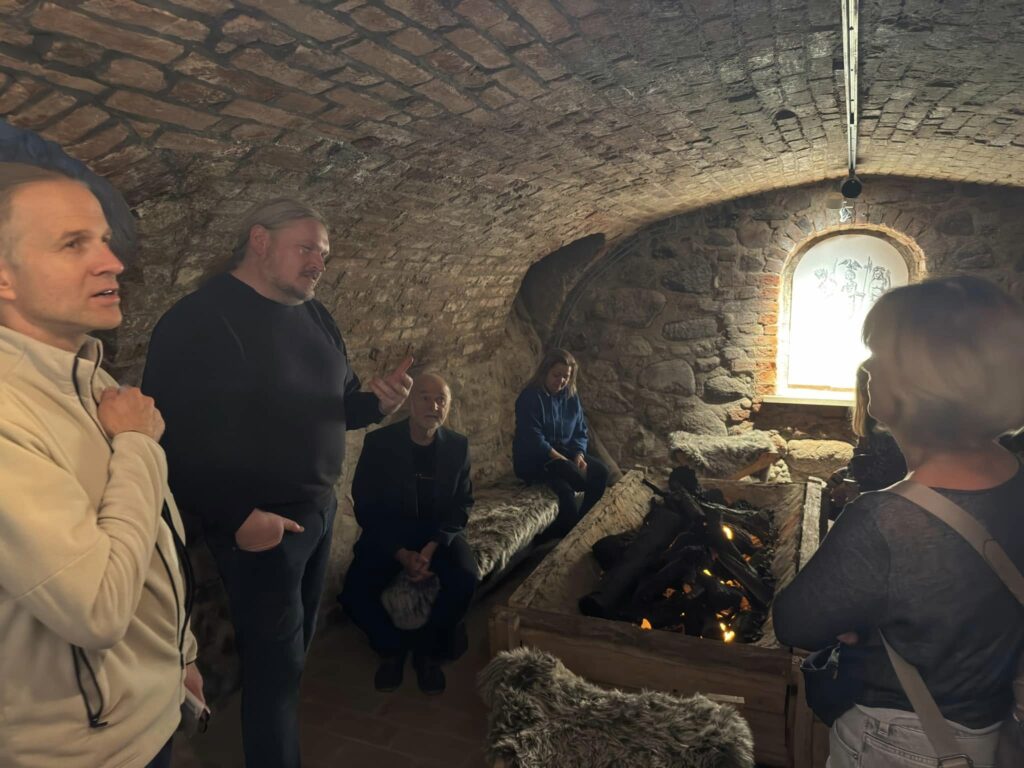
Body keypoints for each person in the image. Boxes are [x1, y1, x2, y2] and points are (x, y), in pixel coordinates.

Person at [141, 198, 412, 768]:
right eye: (306, 248)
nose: (318, 264)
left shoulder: (316, 315)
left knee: (290, 661)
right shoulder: (200, 320)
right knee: (276, 669)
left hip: (317, 512)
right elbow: (171, 434)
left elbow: (339, 403)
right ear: (259, 241)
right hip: (260, 524)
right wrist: (238, 516)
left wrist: (376, 404)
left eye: (324, 254)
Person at [773, 275, 1024, 767]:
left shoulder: (887, 519)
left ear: (930, 380)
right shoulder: (1013, 478)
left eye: (882, 353)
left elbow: (795, 623)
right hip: (990, 728)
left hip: (902, 741)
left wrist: (860, 620)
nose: (868, 367)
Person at [0, 163, 202, 768]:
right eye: (73, 244)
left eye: (105, 241)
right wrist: (138, 446)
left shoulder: (90, 379)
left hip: (149, 712)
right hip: (83, 750)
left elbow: (154, 537)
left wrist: (181, 655)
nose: (112, 263)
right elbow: (97, 609)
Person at [340, 373, 478, 695]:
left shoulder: (458, 446)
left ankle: (428, 653)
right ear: (410, 403)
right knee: (354, 592)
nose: (434, 405)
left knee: (465, 578)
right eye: (425, 397)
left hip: (437, 536)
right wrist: (400, 553)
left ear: (449, 406)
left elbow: (463, 503)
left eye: (441, 399)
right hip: (389, 534)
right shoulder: (380, 443)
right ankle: (390, 649)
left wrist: (433, 546)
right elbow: (366, 504)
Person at [513, 348, 609, 538]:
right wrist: (562, 460)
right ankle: (556, 536)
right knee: (570, 484)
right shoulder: (529, 397)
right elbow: (533, 438)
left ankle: (582, 525)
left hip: (563, 452)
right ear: (545, 372)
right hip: (535, 458)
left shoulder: (570, 396)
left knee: (600, 472)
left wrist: (579, 454)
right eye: (556, 375)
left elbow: (580, 429)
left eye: (566, 376)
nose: (561, 381)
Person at [824, 364, 908, 520]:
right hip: (873, 488)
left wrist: (854, 489)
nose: (869, 390)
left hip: (889, 497)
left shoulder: (896, 423)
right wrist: (844, 475)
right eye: (866, 386)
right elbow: (862, 458)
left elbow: (891, 472)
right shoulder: (869, 419)